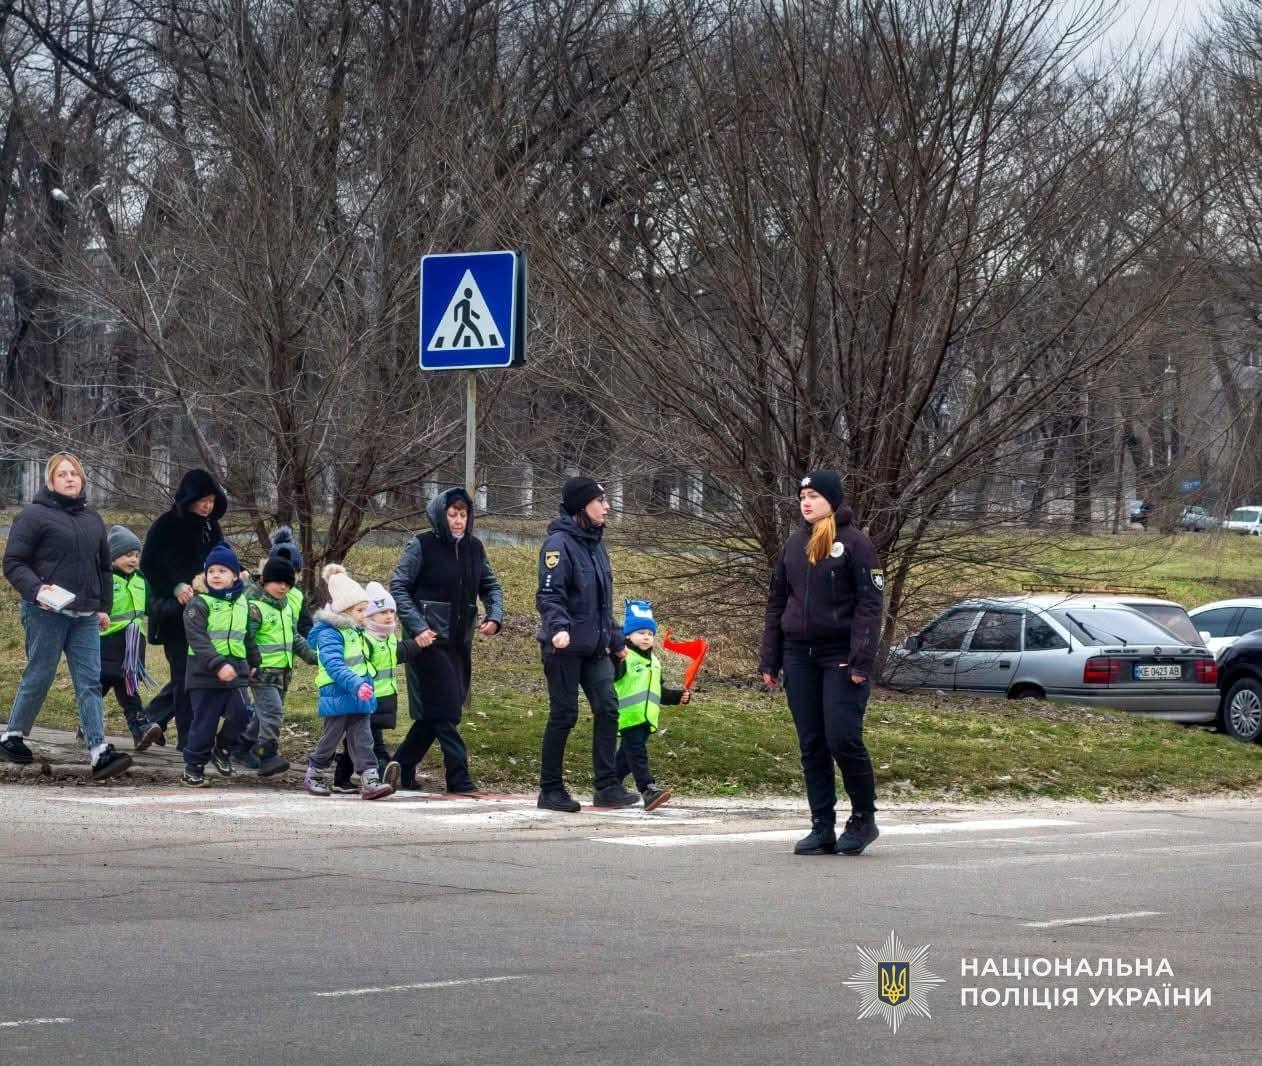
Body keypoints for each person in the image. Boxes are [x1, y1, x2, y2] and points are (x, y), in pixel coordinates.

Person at [759, 471, 884, 856]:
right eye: (802, 496)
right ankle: (821, 826)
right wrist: (770, 658)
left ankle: (863, 818)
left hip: (841, 657)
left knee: (842, 738)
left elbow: (870, 605)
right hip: (799, 655)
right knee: (812, 743)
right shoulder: (795, 543)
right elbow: (777, 602)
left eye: (813, 495)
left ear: (832, 500)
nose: (806, 502)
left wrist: (861, 660)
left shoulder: (856, 544)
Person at [0, 453, 132, 780]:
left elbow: (103, 567)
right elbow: (14, 563)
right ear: (51, 481)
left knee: (89, 681)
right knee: (40, 674)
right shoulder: (33, 516)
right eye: (63, 474)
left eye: (75, 473)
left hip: (85, 615)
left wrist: (103, 607)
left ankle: (99, 751)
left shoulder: (92, 519)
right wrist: (38, 591)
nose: (70, 478)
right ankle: (12, 736)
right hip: (46, 612)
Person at [386, 488, 503, 795]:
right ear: (440, 515)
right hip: (427, 642)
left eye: (463, 515)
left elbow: (490, 585)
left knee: (434, 713)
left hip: (459, 641)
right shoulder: (421, 545)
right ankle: (459, 777)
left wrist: (494, 616)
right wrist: (418, 627)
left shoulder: (475, 548)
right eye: (452, 515)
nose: (458, 521)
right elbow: (398, 587)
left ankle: (399, 766)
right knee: (447, 710)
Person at [534, 476, 639, 812]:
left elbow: (602, 603)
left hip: (595, 648)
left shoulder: (596, 544)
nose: (606, 506)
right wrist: (558, 628)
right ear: (582, 505)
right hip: (564, 647)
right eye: (600, 501)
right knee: (564, 715)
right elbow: (550, 594)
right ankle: (550, 790)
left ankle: (607, 786)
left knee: (608, 708)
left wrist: (616, 638)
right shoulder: (557, 545)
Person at [139, 468, 227, 750]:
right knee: (183, 675)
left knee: (197, 673)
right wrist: (175, 586)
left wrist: (239, 573)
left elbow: (222, 555)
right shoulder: (166, 524)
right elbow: (150, 563)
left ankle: (149, 718)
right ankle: (189, 740)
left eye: (212, 500)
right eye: (203, 499)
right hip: (175, 612)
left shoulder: (211, 526)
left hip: (205, 612)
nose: (207, 506)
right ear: (188, 498)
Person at [304, 564, 393, 801]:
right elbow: (334, 665)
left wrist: (366, 684)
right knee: (331, 737)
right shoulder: (330, 633)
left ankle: (369, 778)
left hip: (359, 692)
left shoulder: (355, 631)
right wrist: (356, 683)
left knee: (364, 737)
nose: (365, 615)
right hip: (337, 692)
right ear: (344, 610)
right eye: (360, 610)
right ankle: (315, 771)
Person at [180, 543, 255, 787]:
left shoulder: (242, 602)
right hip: (205, 673)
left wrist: (255, 660)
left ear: (235, 575)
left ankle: (222, 749)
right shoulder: (199, 604)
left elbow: (248, 634)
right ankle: (194, 767)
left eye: (222, 571)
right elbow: (197, 639)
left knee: (243, 713)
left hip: (236, 671)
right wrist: (217, 663)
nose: (215, 575)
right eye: (211, 571)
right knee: (205, 722)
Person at [236, 553, 315, 777]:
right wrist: (250, 664)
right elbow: (245, 639)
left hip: (283, 672)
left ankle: (242, 746)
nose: (282, 587)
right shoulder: (255, 608)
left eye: (287, 583)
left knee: (263, 714)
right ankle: (266, 753)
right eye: (277, 582)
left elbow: (294, 637)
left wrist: (312, 656)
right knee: (273, 712)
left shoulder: (287, 607)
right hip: (261, 672)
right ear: (265, 581)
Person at [613, 600, 692, 812]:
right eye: (640, 633)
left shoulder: (655, 662)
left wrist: (677, 696)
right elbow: (612, 680)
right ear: (627, 635)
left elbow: (659, 693)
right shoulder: (623, 657)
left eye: (649, 633)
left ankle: (609, 785)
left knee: (626, 758)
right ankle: (648, 790)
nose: (646, 637)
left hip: (646, 718)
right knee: (637, 754)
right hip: (628, 716)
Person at [333, 582, 397, 792]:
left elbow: (400, 654)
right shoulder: (364, 639)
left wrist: (418, 645)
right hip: (363, 697)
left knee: (361, 740)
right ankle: (378, 775)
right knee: (367, 741)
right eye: (382, 612)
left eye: (391, 611)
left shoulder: (390, 639)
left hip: (383, 698)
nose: (388, 616)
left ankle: (345, 778)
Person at [100, 525, 154, 747]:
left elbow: (152, 607)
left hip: (134, 644)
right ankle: (88, 724)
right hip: (108, 642)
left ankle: (140, 729)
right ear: (112, 557)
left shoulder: (142, 580)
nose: (133, 560)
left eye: (136, 555)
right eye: (127, 555)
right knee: (99, 686)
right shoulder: (106, 580)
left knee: (128, 686)